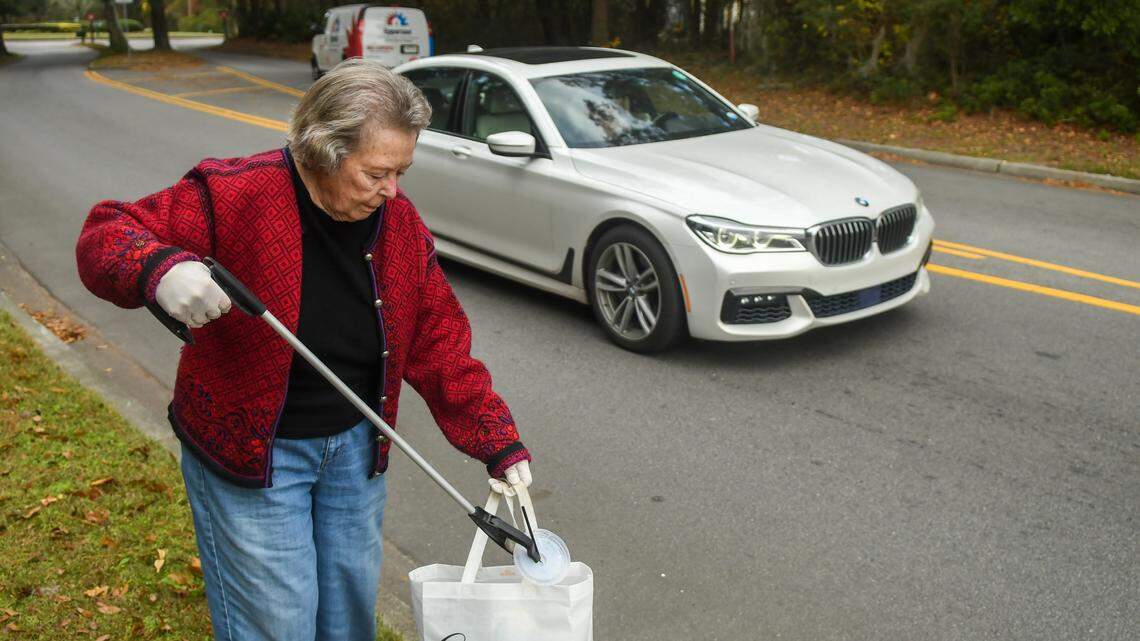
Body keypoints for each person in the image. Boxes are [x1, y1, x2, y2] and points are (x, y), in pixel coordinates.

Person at [74, 58, 533, 641]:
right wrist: (159, 268)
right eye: (376, 174)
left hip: (356, 453)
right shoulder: (233, 193)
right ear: (322, 151)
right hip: (257, 457)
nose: (393, 191)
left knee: (346, 621)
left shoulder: (400, 222)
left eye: (402, 171)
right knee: (278, 623)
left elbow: (438, 338)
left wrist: (496, 440)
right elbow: (105, 233)